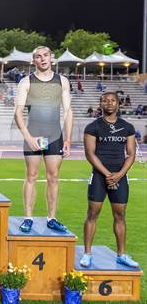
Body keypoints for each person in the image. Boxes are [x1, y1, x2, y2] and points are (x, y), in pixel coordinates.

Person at [14, 46, 73, 233]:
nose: (42, 59)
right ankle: (28, 218)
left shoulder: (62, 81)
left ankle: (51, 218)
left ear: (51, 58)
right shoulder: (26, 82)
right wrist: (28, 136)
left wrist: (68, 139)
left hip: (55, 135)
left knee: (53, 177)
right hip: (34, 134)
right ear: (34, 61)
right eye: (38, 57)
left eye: (45, 55)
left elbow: (68, 111)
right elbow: (18, 112)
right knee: (31, 176)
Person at [80, 92, 138, 268]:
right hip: (99, 176)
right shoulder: (93, 127)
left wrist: (119, 174)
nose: (109, 103)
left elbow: (131, 154)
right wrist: (107, 174)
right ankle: (87, 254)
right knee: (92, 214)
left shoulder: (127, 127)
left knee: (120, 216)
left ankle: (121, 254)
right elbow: (90, 154)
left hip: (119, 177)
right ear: (101, 104)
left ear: (118, 104)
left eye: (113, 101)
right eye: (105, 101)